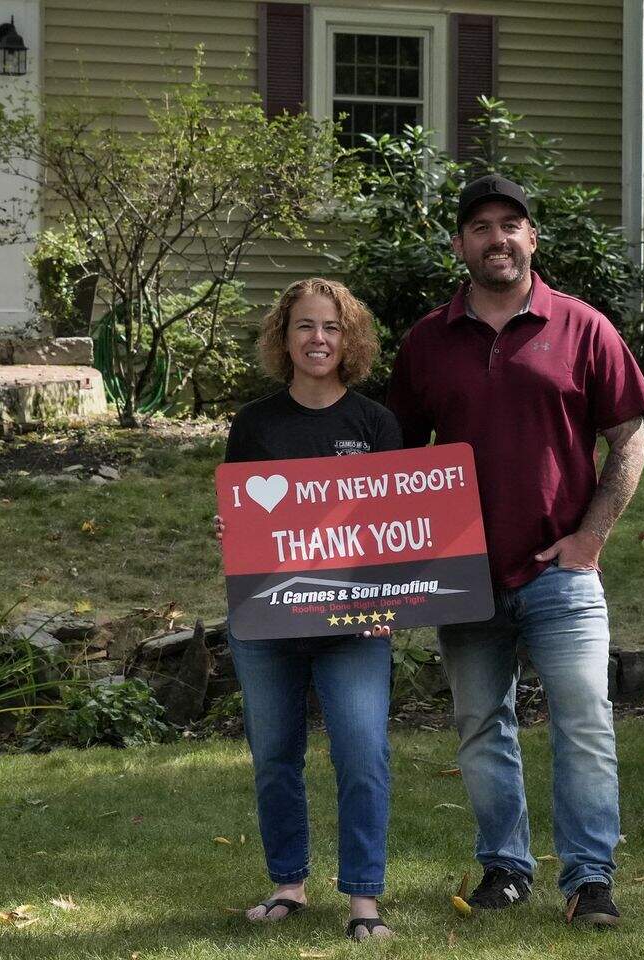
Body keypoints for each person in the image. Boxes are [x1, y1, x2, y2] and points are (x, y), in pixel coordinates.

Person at [386, 174, 644, 928]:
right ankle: (505, 869)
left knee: (584, 722)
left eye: (510, 224)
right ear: (459, 246)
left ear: (532, 238)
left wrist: (591, 536)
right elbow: (392, 461)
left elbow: (630, 439)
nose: (496, 238)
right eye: (480, 227)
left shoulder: (584, 327)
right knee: (481, 728)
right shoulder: (427, 341)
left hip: (560, 574)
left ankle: (590, 879)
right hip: (463, 578)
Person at [218, 277, 401, 942]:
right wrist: (229, 529)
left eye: (331, 326)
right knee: (275, 757)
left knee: (362, 754)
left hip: (354, 620)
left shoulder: (375, 424)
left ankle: (364, 900)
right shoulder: (255, 424)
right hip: (268, 618)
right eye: (304, 325)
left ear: (349, 339)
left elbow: (398, 525)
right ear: (283, 336)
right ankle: (288, 884)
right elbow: (241, 512)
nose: (318, 338)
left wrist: (390, 595)